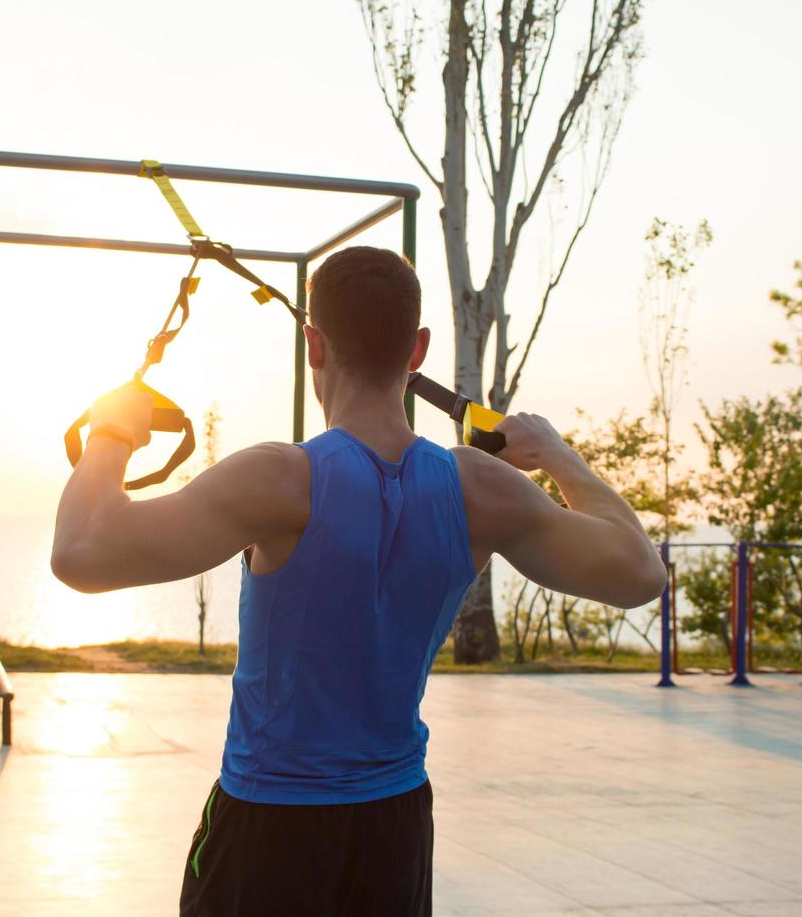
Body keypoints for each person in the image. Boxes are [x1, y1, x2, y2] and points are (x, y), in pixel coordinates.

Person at [51, 246, 666, 916]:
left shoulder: (279, 480)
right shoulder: (484, 489)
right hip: (393, 830)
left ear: (314, 345)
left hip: (268, 826)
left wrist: (114, 427)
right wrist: (555, 455)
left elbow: (82, 552)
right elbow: (640, 573)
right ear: (418, 349)